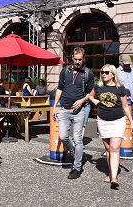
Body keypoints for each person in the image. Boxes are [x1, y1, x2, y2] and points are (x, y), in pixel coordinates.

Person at [89, 64, 133, 189]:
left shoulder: (120, 88)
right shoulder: (98, 87)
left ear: (113, 74)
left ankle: (114, 178)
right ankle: (110, 174)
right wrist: (95, 101)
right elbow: (90, 95)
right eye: (102, 72)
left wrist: (131, 122)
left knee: (115, 148)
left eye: (106, 72)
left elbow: (126, 106)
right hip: (103, 121)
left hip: (118, 121)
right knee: (109, 149)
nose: (104, 74)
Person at [51, 47, 94, 179]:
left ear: (84, 59)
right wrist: (54, 107)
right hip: (64, 109)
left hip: (79, 111)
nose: (77, 62)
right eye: (75, 59)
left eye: (80, 59)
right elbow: (59, 89)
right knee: (63, 137)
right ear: (71, 58)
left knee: (77, 139)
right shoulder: (65, 71)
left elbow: (91, 93)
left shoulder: (88, 73)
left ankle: (76, 167)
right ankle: (76, 154)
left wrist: (82, 101)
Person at [117, 54, 133, 126]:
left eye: (129, 64)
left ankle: (132, 136)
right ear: (121, 62)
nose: (127, 65)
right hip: (121, 102)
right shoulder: (116, 72)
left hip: (132, 100)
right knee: (123, 123)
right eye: (126, 64)